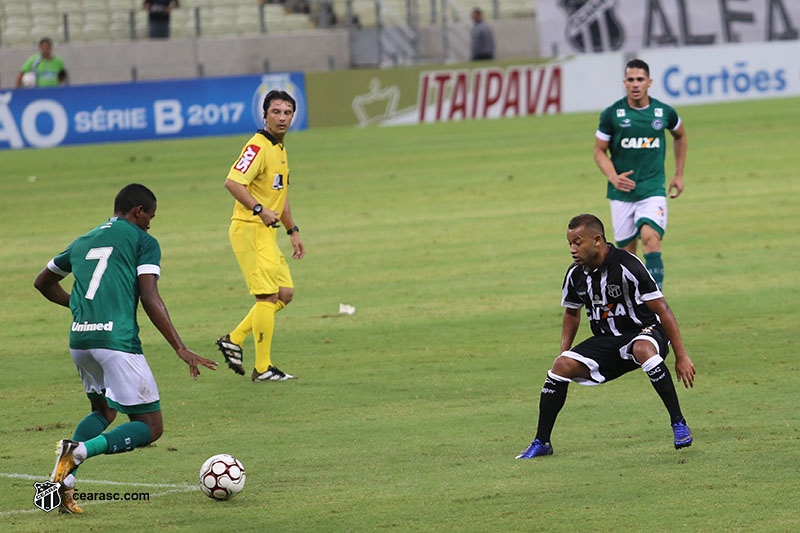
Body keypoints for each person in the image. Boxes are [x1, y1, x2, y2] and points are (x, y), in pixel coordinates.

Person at [35, 184, 217, 513]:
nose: (150, 223)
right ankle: (79, 452)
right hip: (117, 342)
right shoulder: (142, 241)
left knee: (103, 411)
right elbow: (149, 296)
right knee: (150, 426)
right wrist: (180, 347)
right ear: (137, 211)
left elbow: (42, 282)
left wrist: (80, 310)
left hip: (81, 340)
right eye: (150, 216)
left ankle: (62, 484)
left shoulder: (83, 240)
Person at [516, 214, 695, 459]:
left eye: (577, 242)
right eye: (569, 243)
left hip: (643, 331)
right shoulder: (575, 274)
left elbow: (663, 308)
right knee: (560, 367)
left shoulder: (627, 265)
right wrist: (564, 351)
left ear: (597, 240)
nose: (572, 249)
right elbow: (571, 313)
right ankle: (542, 442)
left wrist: (681, 356)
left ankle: (678, 423)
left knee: (643, 349)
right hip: (606, 341)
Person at [216, 89, 306, 382]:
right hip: (249, 228)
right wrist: (258, 209)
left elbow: (281, 195)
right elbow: (232, 182)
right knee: (267, 296)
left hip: (266, 232)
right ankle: (263, 368)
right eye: (276, 112)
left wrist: (292, 230)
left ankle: (235, 338)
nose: (282, 118)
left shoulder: (279, 149)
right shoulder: (257, 146)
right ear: (265, 114)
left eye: (287, 112)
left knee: (285, 294)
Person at [593, 58, 687, 290]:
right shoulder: (612, 114)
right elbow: (599, 152)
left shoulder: (663, 112)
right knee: (625, 254)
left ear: (649, 82)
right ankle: (633, 303)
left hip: (652, 189)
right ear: (624, 83)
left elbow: (680, 136)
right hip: (621, 193)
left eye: (640, 79)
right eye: (631, 80)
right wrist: (614, 177)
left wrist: (678, 174)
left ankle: (656, 301)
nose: (636, 84)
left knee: (650, 238)